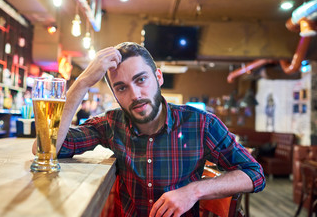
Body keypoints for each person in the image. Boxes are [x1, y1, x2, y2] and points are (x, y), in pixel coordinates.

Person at [32, 42, 266, 217]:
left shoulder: (201, 123)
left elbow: (254, 174)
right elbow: (46, 148)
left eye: (141, 80)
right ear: (115, 95)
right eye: (122, 88)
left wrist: (193, 191)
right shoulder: (111, 124)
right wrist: (82, 82)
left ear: (158, 77)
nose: (135, 95)